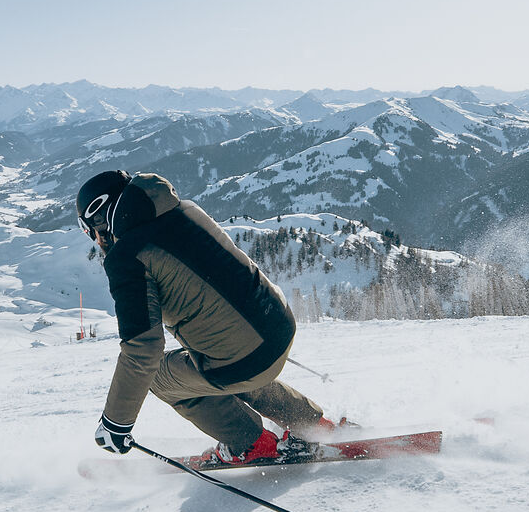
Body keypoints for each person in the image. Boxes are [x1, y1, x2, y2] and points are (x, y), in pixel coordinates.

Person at [77, 170, 350, 465]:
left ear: (101, 217)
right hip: (278, 326)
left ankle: (250, 443)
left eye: (89, 228)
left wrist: (117, 423)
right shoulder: (184, 210)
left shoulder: (127, 256)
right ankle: (312, 423)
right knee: (220, 358)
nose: (95, 238)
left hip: (245, 356)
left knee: (160, 378)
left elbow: (143, 349)